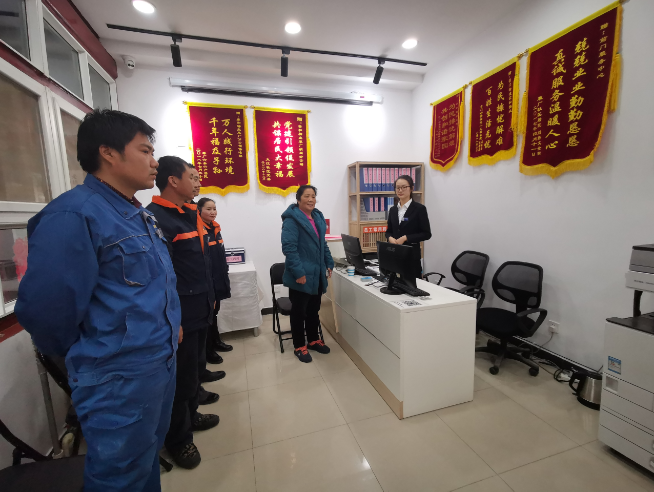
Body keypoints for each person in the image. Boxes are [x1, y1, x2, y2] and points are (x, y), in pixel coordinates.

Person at [15, 109, 180, 492]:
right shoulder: (74, 215)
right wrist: (95, 353)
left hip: (158, 363)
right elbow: (46, 311)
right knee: (119, 478)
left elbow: (152, 287)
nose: (154, 161)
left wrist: (172, 327)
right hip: (117, 377)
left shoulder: (135, 214)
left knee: (144, 461)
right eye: (145, 150)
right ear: (108, 152)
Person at [146, 157, 220, 470]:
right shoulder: (156, 218)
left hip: (200, 307)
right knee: (180, 378)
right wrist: (172, 318)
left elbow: (201, 262)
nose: (197, 182)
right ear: (173, 181)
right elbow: (161, 277)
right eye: (192, 176)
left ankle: (192, 416)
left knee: (194, 369)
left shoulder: (190, 214)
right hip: (181, 315)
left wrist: (211, 297)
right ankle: (178, 440)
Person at [281, 185, 334, 363]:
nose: (311, 200)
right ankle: (299, 346)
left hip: (317, 274)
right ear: (298, 199)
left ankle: (313, 340)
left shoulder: (317, 216)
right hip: (301, 275)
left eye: (313, 196)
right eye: (306, 196)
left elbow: (322, 243)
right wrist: (298, 272)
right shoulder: (292, 219)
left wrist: (329, 262)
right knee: (299, 312)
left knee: (313, 310)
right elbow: (289, 248)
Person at [197, 197, 233, 364]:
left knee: (215, 311)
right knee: (208, 315)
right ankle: (208, 350)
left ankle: (216, 341)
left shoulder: (215, 228)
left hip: (218, 277)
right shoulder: (198, 229)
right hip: (207, 280)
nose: (213, 212)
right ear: (199, 210)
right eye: (208, 209)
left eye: (214, 209)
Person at [385, 174, 432, 278]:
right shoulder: (393, 210)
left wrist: (406, 238)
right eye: (398, 187)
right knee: (394, 283)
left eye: (404, 187)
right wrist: (390, 238)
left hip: (411, 256)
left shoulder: (419, 209)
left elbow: (426, 234)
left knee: (411, 285)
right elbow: (389, 231)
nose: (400, 190)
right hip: (395, 254)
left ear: (411, 188)